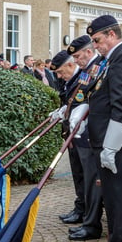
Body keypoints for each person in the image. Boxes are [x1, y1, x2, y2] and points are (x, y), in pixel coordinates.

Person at [81, 15, 122, 242]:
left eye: (98, 40)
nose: (96, 46)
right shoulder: (110, 60)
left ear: (112, 35)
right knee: (112, 205)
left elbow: (121, 106)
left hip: (113, 145)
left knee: (117, 205)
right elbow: (100, 98)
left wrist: (111, 148)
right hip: (105, 143)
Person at [65, 35, 105, 241]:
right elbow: (79, 95)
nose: (76, 61)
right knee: (86, 179)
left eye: (79, 56)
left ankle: (92, 224)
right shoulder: (87, 70)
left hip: (90, 134)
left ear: (89, 52)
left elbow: (91, 97)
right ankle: (88, 220)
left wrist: (82, 110)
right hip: (82, 133)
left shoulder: (97, 67)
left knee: (91, 180)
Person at [49, 50, 84, 225]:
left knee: (82, 174)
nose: (60, 76)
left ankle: (83, 210)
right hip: (71, 132)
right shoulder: (70, 81)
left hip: (81, 134)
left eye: (61, 72)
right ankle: (80, 207)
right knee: (77, 173)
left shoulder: (82, 79)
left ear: (71, 65)